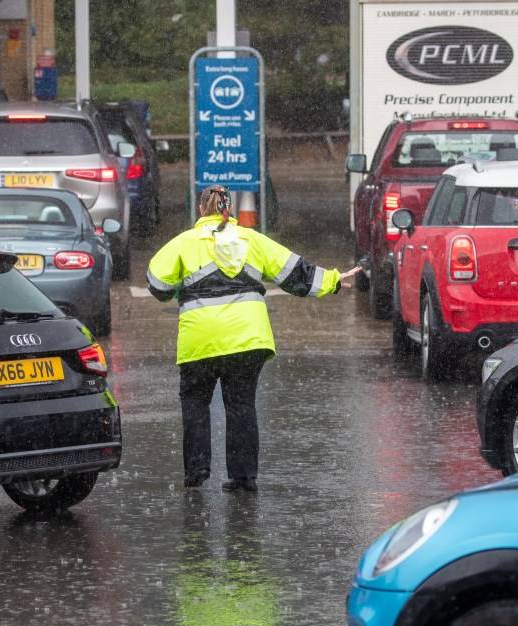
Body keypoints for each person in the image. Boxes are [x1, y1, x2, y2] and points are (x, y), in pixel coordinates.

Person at [147, 185, 361, 492]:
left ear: (200, 209)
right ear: (229, 209)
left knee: (195, 401)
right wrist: (333, 280)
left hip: (200, 339)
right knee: (241, 404)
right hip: (248, 338)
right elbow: (294, 274)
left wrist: (180, 288)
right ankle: (244, 476)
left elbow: (156, 284)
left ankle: (197, 469)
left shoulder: (183, 243)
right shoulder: (251, 239)